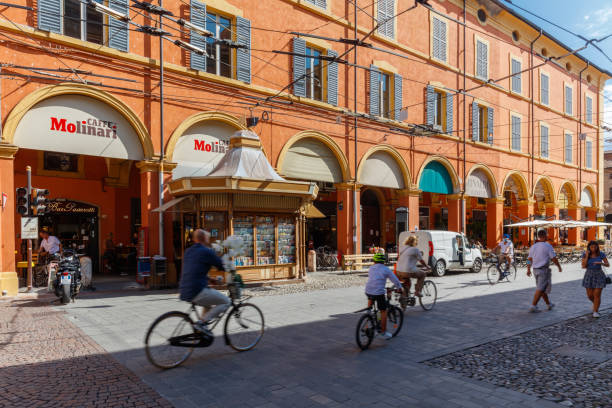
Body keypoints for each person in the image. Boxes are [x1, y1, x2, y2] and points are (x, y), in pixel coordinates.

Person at [179, 229, 229, 333]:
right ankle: (202, 323)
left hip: (184, 290)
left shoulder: (188, 251)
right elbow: (221, 265)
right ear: (205, 238)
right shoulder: (206, 251)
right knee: (226, 301)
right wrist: (229, 268)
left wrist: (209, 279)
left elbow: (193, 271)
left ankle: (202, 331)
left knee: (207, 304)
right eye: (208, 237)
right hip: (197, 290)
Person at [364, 252, 403, 340]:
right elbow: (395, 280)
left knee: (371, 301)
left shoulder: (371, 268)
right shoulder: (386, 269)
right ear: (383, 261)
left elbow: (375, 280)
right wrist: (400, 288)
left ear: (374, 261)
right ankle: (383, 331)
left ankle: (368, 315)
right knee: (383, 311)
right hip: (378, 292)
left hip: (368, 290)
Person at [526, 229, 562, 313]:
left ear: (538, 236)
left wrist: (528, 269)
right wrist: (559, 267)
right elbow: (554, 258)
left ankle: (549, 304)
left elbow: (529, 259)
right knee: (540, 288)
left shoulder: (533, 246)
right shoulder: (548, 246)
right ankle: (533, 306)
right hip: (543, 270)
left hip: (535, 270)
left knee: (542, 288)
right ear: (545, 236)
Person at [396, 235, 430, 305]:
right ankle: (417, 291)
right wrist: (427, 266)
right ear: (415, 242)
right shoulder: (415, 250)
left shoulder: (403, 248)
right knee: (423, 274)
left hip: (398, 270)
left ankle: (404, 300)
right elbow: (421, 261)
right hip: (407, 271)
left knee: (407, 283)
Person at [581, 240, 609, 318]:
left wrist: (601, 263)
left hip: (599, 275)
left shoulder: (601, 254)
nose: (593, 248)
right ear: (589, 247)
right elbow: (583, 266)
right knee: (590, 295)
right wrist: (586, 256)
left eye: (595, 247)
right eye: (592, 247)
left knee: (597, 295)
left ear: (597, 247)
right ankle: (596, 304)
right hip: (589, 275)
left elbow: (608, 264)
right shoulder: (585, 254)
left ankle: (596, 311)